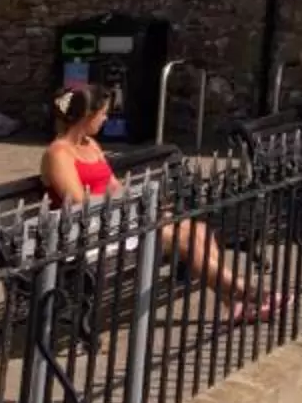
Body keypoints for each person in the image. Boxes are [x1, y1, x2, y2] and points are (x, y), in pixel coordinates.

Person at [40, 84, 275, 319]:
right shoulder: (58, 153)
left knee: (198, 230)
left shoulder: (91, 145)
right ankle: (248, 291)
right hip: (85, 234)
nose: (105, 118)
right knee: (177, 236)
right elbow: (80, 202)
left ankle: (232, 301)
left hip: (116, 221)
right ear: (86, 115)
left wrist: (140, 202)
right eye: (102, 113)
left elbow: (113, 186)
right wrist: (130, 208)